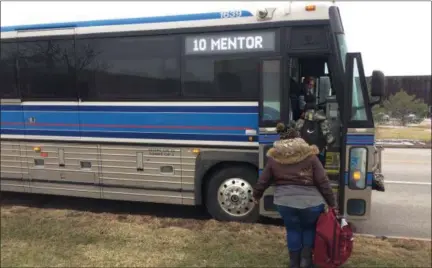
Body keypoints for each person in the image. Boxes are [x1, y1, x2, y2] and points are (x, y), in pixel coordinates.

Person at [253, 123, 337, 268]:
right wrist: (332, 203)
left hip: (285, 202)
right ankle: (306, 261)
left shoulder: (275, 157)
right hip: (311, 203)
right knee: (309, 228)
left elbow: (263, 180)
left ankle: (294, 263)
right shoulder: (310, 156)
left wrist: (256, 195)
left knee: (292, 229)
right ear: (298, 137)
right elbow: (323, 181)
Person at [295, 94, 335, 166]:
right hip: (318, 152)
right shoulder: (322, 120)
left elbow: (295, 136)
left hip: (304, 154)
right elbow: (330, 139)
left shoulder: (301, 120)